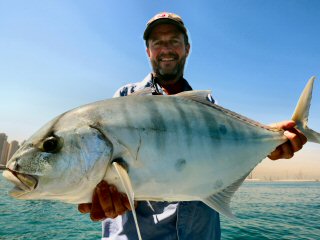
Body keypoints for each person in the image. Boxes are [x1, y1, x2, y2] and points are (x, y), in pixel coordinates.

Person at [78, 12, 307, 240]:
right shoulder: (125, 99)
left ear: (187, 48)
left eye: (174, 42)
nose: (166, 49)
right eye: (157, 43)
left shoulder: (208, 106)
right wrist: (105, 193)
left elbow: (231, 150)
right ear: (148, 51)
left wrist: (270, 141)